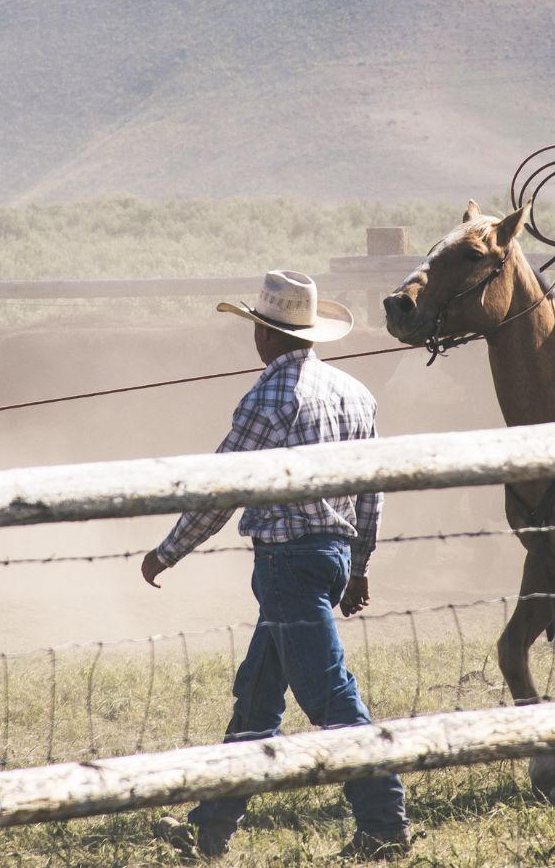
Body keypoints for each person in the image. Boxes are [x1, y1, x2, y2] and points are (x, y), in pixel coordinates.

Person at [142, 270, 410, 861]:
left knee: (329, 695)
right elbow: (373, 490)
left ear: (265, 334)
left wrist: (169, 550)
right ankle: (210, 825)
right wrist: (359, 564)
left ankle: (385, 822)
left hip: (287, 566)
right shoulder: (354, 393)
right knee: (259, 699)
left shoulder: (267, 398)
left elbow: (221, 490)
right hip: (332, 558)